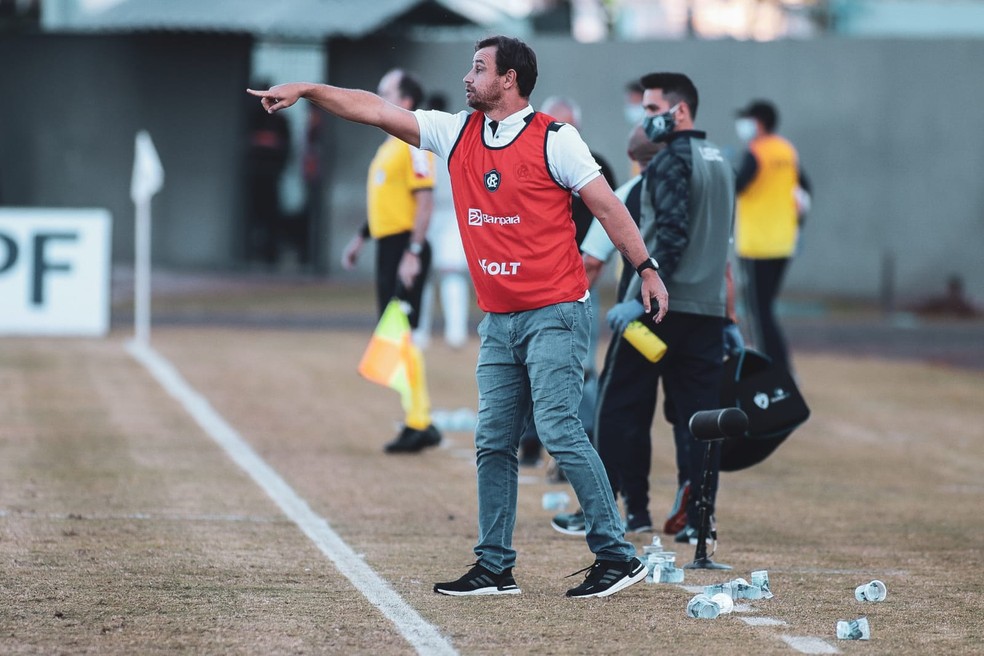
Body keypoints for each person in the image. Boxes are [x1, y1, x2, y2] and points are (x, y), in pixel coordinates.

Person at [247, 35, 668, 599]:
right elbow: (375, 109)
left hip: (556, 311)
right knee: (492, 440)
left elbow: (609, 206)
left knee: (559, 428)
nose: (467, 78)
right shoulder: (457, 132)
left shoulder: (556, 139)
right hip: (499, 319)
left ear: (509, 79)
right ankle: (495, 567)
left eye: (478, 69)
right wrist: (307, 90)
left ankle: (617, 556)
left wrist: (645, 268)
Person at [559, 72, 735, 546]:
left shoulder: (667, 163)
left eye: (653, 110)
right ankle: (701, 515)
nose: (646, 118)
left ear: (679, 111)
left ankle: (605, 509)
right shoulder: (720, 161)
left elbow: (672, 237)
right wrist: (730, 317)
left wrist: (643, 297)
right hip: (707, 314)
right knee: (699, 418)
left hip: (658, 316)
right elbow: (724, 251)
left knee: (619, 407)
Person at [338, 69, 442, 454]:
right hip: (387, 246)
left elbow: (425, 201)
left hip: (404, 249)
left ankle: (420, 422)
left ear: (407, 102)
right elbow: (387, 201)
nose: (376, 97)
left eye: (385, 92)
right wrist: (362, 238)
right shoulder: (388, 145)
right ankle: (417, 418)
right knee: (395, 336)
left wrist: (413, 253)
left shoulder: (413, 143)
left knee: (403, 335)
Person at [517, 95, 618, 471]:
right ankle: (529, 441)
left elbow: (610, 221)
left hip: (577, 282)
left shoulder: (595, 166)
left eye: (566, 124)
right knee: (527, 363)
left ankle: (581, 445)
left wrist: (587, 273)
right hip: (531, 282)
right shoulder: (525, 158)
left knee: (581, 367)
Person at [733, 99, 808, 373]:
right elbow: (804, 188)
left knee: (758, 312)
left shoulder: (757, 152)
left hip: (756, 245)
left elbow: (737, 185)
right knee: (765, 310)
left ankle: (773, 370)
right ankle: (781, 367)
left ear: (758, 122)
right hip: (782, 242)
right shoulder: (787, 150)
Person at [414, 93, 473, 349]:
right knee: (448, 273)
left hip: (441, 212)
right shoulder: (455, 137)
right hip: (446, 212)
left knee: (436, 273)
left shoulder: (421, 139)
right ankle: (452, 333)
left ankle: (423, 333)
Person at [244, 81, 291, 265]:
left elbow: (286, 148)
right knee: (253, 215)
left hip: (273, 176)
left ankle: (271, 255)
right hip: (254, 176)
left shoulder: (280, 121)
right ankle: (251, 253)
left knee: (271, 216)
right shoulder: (254, 118)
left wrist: (280, 168)